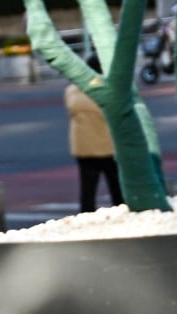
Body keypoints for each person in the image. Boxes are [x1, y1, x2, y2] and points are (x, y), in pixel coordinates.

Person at [64, 62, 123, 212]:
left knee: (87, 190)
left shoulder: (72, 91)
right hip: (108, 146)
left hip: (83, 147)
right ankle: (123, 215)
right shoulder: (108, 90)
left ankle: (86, 217)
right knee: (117, 189)